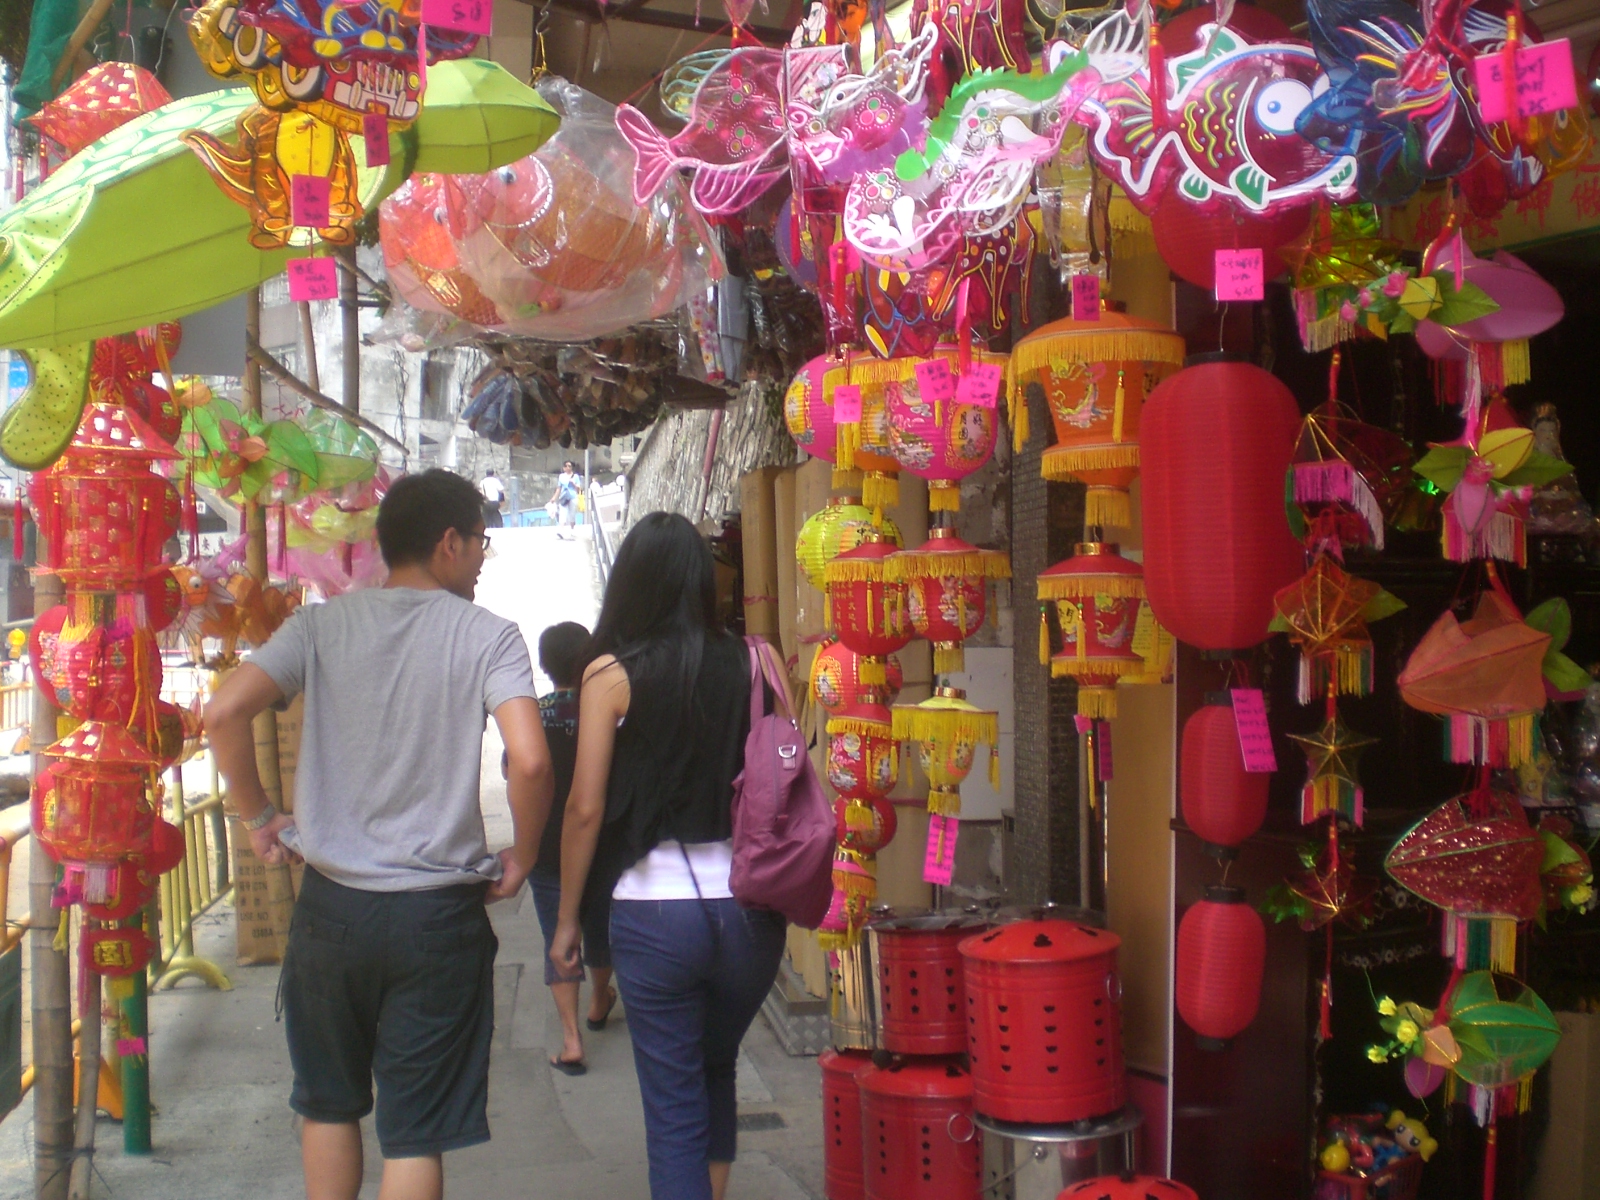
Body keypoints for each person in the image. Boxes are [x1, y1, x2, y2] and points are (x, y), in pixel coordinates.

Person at [205, 469, 553, 1200]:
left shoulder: (321, 625)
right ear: (449, 543)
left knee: (327, 1105)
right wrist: (524, 850)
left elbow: (226, 711)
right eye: (482, 542)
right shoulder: (489, 636)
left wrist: (260, 815)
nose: (484, 558)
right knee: (415, 1130)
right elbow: (529, 757)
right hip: (437, 917)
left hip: (332, 911)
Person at [552, 511, 788, 1200]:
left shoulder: (610, 675)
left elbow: (585, 808)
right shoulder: (757, 661)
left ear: (631, 583)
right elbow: (781, 776)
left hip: (656, 919)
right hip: (751, 914)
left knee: (673, 1106)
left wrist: (568, 922)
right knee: (716, 1067)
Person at [530, 620, 616, 1076]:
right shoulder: (603, 709)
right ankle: (600, 1001)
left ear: (544, 666)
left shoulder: (533, 715)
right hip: (599, 843)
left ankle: (570, 1039)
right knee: (600, 925)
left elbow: (517, 772)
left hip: (546, 850)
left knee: (556, 936)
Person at [550, 461, 580, 540]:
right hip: (563, 497)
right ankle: (561, 531)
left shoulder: (575, 476)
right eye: (566, 466)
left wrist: (573, 484)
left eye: (569, 466)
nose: (568, 467)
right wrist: (554, 498)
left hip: (572, 497)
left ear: (572, 467)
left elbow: (578, 490)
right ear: (563, 468)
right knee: (562, 514)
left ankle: (572, 529)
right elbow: (559, 488)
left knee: (572, 514)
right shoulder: (561, 477)